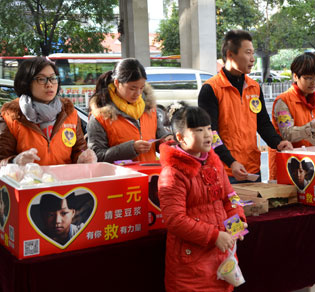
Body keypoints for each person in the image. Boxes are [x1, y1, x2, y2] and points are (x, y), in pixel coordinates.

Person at [158, 105, 247, 292]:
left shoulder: (214, 162)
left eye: (208, 128)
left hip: (221, 254)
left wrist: (237, 222)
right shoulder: (173, 172)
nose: (207, 135)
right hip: (191, 265)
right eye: (199, 130)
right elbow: (175, 220)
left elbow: (230, 197)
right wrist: (214, 236)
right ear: (180, 138)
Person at [198, 29, 292, 184]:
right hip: (225, 171)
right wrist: (230, 161)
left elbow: (262, 123)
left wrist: (278, 142)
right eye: (248, 53)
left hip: (252, 169)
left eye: (253, 53)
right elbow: (210, 134)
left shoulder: (254, 87)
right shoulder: (211, 89)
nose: (252, 59)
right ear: (230, 55)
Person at [0, 57, 96, 166]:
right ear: (26, 82)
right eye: (41, 79)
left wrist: (82, 157)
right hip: (28, 181)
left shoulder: (69, 112)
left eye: (53, 78)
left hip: (64, 180)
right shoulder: (11, 116)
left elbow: (79, 149)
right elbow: (2, 159)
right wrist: (15, 161)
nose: (49, 84)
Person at [269, 53, 315, 180]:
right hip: (289, 164)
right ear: (295, 76)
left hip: (312, 163)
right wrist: (313, 126)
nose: (314, 82)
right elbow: (287, 134)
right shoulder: (283, 101)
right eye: (308, 78)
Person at [87, 58, 172, 163]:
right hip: (121, 177)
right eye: (132, 88)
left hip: (150, 174)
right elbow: (96, 156)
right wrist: (130, 149)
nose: (138, 93)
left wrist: (167, 140)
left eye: (141, 88)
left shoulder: (149, 108)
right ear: (117, 83)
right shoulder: (100, 116)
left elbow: (160, 136)